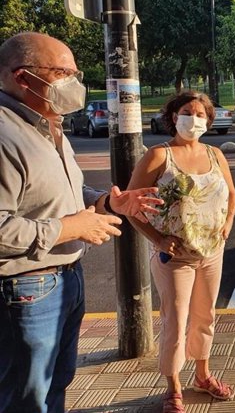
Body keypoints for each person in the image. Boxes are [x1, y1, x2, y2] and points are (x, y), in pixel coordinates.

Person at [0, 32, 163, 413]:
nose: (74, 84)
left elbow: (60, 189)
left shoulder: (45, 123)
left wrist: (106, 202)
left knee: (55, 384)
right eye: (62, 73)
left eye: (75, 73)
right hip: (24, 289)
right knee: (27, 397)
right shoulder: (5, 133)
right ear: (23, 77)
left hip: (63, 278)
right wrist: (72, 228)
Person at [127, 90, 235, 413]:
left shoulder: (216, 155)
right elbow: (132, 207)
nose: (195, 119)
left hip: (211, 252)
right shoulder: (159, 156)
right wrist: (158, 240)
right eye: (188, 112)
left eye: (202, 114)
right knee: (175, 322)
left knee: (205, 317)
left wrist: (228, 221)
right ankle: (173, 386)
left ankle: (203, 375)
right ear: (174, 117)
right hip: (173, 258)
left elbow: (231, 195)